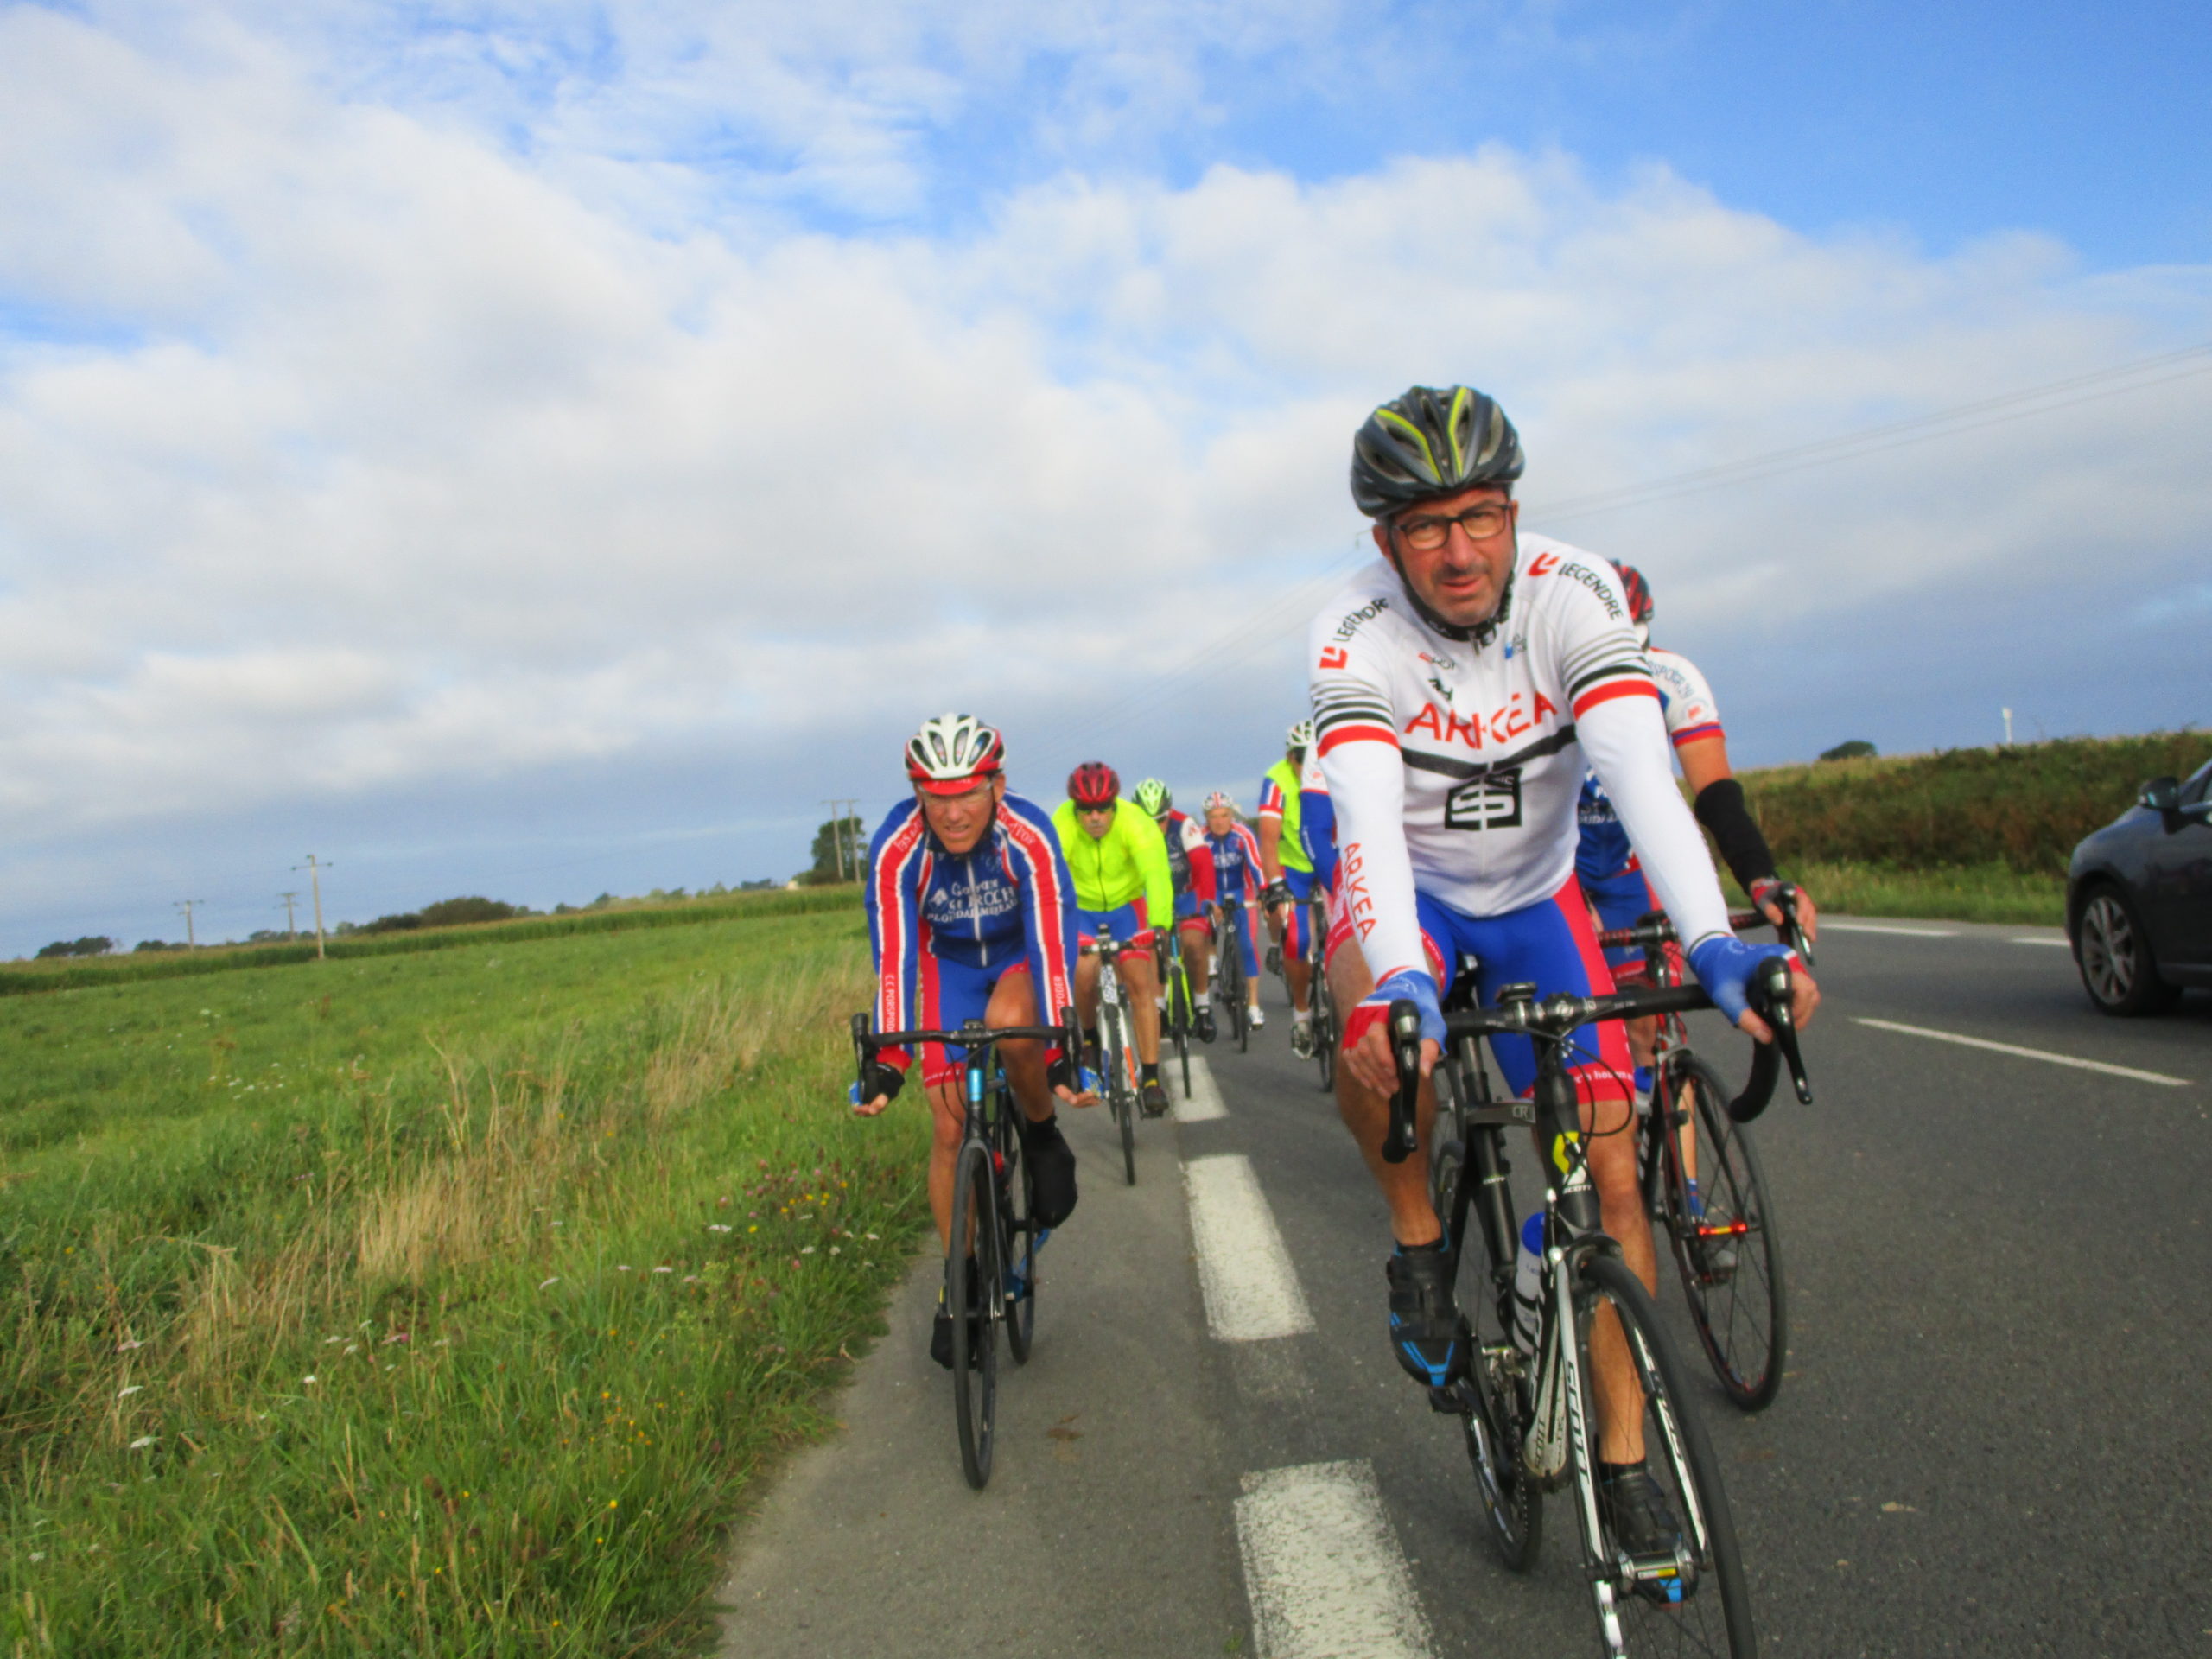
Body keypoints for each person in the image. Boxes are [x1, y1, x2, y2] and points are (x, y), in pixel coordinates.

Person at [1314, 385, 1821, 1554]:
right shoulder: (1350, 632)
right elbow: (1366, 825)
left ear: (1515, 510)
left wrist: (1711, 942)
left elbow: (1644, 773)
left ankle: (1628, 1462)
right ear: (1385, 539)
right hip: (1421, 899)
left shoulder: (1574, 590)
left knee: (1616, 1184)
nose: (1460, 550)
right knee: (1380, 1038)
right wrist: (1396, 978)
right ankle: (1420, 1246)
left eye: (1482, 516)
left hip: (1542, 902)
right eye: (1428, 526)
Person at [855, 713, 1091, 1370]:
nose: (953, 812)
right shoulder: (898, 845)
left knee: (1014, 1027)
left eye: (968, 793)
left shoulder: (1029, 834)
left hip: (1020, 955)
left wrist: (1063, 1045)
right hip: (948, 965)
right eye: (936, 795)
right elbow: (897, 954)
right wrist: (892, 1055)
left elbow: (1051, 940)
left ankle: (1041, 1139)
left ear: (999, 785)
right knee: (950, 1126)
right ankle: (958, 1279)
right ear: (916, 793)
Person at [1577, 562, 1823, 1105]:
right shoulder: (1537, 679)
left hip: (1630, 864)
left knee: (1649, 1027)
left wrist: (1761, 877)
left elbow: (1714, 793)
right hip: (1556, 861)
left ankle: (1681, 1185)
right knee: (1576, 1031)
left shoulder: (1672, 678)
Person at [1052, 763, 1176, 1118]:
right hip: (1084, 908)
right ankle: (1089, 1037)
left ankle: (1151, 1079)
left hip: (1128, 906)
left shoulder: (1137, 822)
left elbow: (1156, 873)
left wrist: (1160, 924)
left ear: (1115, 804)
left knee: (1140, 981)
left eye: (1103, 808)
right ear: (1074, 807)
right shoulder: (1060, 823)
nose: (1094, 817)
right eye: (1085, 810)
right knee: (1084, 971)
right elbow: (1049, 878)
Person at [1134, 779, 1220, 1043]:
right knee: (1152, 950)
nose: (1156, 828)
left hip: (1184, 895)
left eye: (1160, 820)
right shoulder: (1130, 829)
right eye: (1149, 822)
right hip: (1150, 899)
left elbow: (1203, 864)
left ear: (1169, 812)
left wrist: (1208, 901)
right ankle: (1159, 1009)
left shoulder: (1185, 825)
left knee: (1194, 943)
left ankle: (1202, 1004)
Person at [1257, 721, 1320, 1057]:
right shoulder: (1277, 779)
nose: (1309, 764)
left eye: (1316, 755)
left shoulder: (1338, 770)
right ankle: (1302, 1013)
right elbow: (1268, 841)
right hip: (1292, 864)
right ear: (1289, 757)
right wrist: (1277, 885)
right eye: (1301, 756)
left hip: (1329, 859)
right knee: (1297, 938)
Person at [1202, 791, 1266, 1028]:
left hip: (1241, 889)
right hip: (1213, 890)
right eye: (1213, 816)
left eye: (1224, 815)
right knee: (1205, 919)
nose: (1219, 821)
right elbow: (1196, 874)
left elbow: (1257, 866)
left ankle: (1254, 1006)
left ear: (1232, 815)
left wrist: (1264, 895)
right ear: (1206, 818)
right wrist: (1209, 902)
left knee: (1247, 944)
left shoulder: (1243, 835)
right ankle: (1211, 960)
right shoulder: (1201, 837)